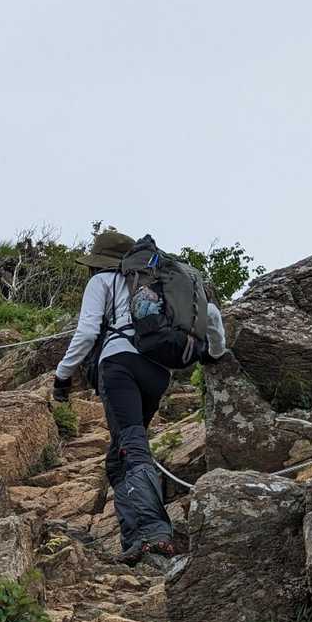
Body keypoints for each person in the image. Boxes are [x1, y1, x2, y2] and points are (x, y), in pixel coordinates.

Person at [52, 229, 226, 564]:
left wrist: (62, 376)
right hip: (158, 374)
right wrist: (215, 354)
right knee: (119, 456)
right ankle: (133, 539)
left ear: (100, 263)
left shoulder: (103, 281)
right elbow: (214, 318)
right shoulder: (166, 282)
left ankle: (154, 534)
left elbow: (87, 332)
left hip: (119, 366)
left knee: (131, 446)